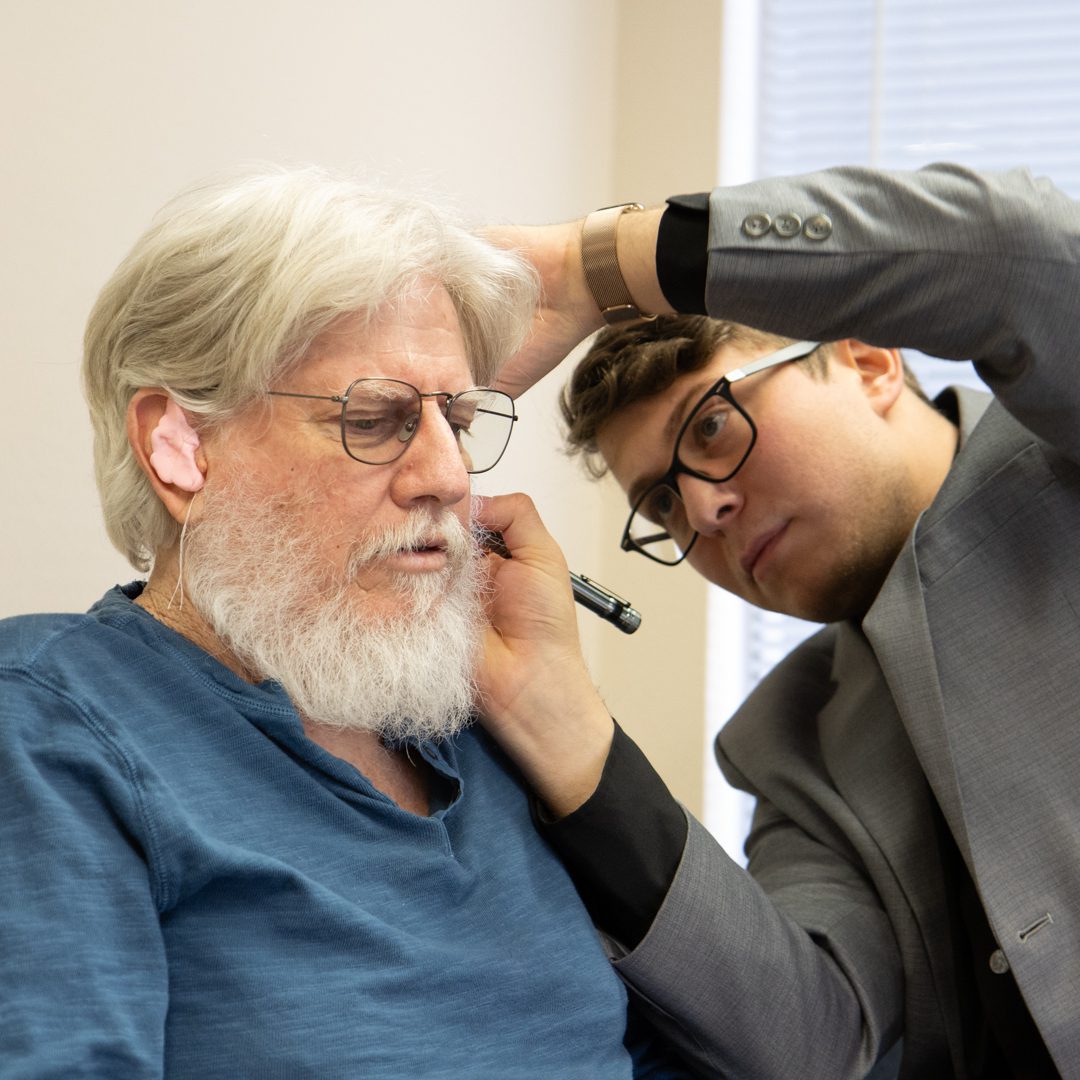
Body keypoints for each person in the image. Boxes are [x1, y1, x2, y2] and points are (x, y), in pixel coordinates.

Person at [0, 166, 688, 1079]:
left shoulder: (468, 715)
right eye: (378, 419)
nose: (447, 477)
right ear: (179, 448)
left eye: (457, 418)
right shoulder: (49, 728)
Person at [472, 166, 1080, 1079]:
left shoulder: (1063, 460)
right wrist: (570, 730)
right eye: (664, 506)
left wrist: (588, 269)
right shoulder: (793, 742)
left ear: (871, 360)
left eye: (711, 427)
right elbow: (816, 1041)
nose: (705, 512)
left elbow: (1021, 258)